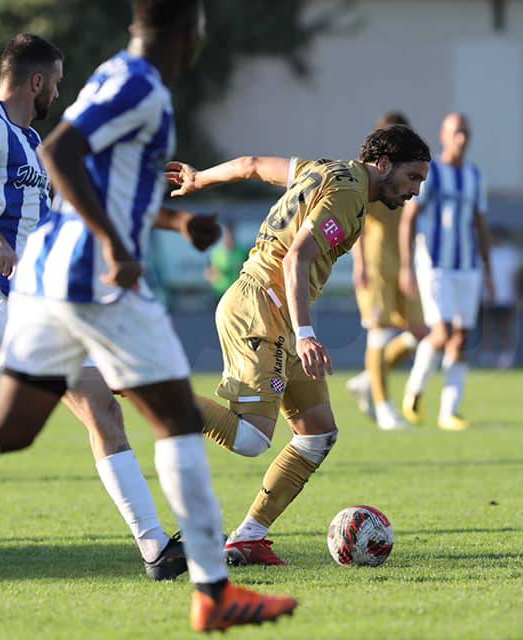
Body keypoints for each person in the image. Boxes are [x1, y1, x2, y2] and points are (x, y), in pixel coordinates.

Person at [0, 2, 299, 632]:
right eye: (57, 81)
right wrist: (24, 240)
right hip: (21, 289)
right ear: (188, 34)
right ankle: (206, 585)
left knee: (19, 424)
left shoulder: (45, 127)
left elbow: (81, 184)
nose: (61, 92)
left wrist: (174, 220)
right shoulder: (77, 101)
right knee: (167, 415)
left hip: (43, 285)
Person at [167, 125, 430, 565]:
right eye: (413, 178)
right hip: (259, 306)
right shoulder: (347, 196)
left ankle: (247, 537)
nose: (415, 191)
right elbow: (296, 258)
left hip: (277, 311)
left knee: (318, 434)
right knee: (251, 439)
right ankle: (155, 391)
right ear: (383, 165)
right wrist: (306, 335)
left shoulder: (324, 170)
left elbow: (251, 165)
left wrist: (199, 179)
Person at [400, 112, 494, 431]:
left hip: (467, 265)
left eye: (466, 132)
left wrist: (489, 271)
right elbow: (410, 218)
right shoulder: (431, 173)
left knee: (462, 337)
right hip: (435, 263)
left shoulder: (475, 177)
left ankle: (449, 412)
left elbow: (480, 224)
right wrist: (405, 266)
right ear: (443, 136)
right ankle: (414, 389)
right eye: (456, 132)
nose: (462, 138)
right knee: (442, 333)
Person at [346, 112, 428, 431]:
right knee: (379, 334)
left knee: (421, 333)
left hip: (405, 258)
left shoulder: (411, 171)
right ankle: (383, 408)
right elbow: (357, 218)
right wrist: (360, 264)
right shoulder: (366, 174)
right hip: (376, 260)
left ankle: (369, 379)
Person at [479, 226, 520, 369]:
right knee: (487, 328)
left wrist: (514, 296)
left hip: (506, 297)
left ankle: (506, 357)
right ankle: (487, 356)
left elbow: (514, 278)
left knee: (505, 328)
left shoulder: (510, 254)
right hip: (488, 297)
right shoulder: (486, 253)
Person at [204, 221, 249, 303]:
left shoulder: (242, 252)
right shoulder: (215, 253)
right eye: (227, 235)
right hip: (220, 293)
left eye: (231, 234)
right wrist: (213, 277)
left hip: (237, 292)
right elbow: (208, 273)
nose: (229, 237)